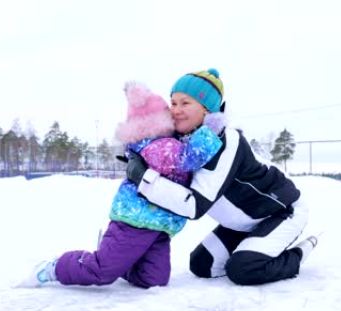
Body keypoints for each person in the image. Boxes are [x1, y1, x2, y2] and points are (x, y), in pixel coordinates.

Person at [17, 81, 224, 289]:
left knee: (154, 279)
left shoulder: (164, 142)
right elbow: (188, 158)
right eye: (168, 112)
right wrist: (212, 129)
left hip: (160, 226)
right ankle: (54, 268)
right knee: (101, 271)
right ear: (155, 123)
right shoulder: (157, 146)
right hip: (135, 221)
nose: (174, 114)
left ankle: (119, 262)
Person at [124, 68, 319, 286]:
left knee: (243, 269)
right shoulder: (181, 141)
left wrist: (143, 178)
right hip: (241, 224)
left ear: (207, 110)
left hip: (280, 213)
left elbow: (194, 205)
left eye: (185, 103)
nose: (176, 110)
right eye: (173, 102)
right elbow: (153, 150)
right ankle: (254, 244)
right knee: (201, 265)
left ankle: (297, 255)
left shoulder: (225, 142)